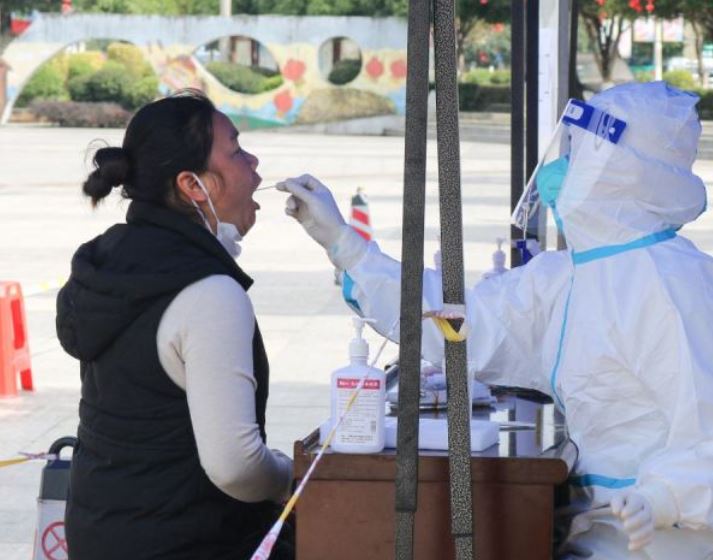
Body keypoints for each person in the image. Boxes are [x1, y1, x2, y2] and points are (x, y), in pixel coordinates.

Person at [278, 81, 713, 559]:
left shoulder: (674, 285)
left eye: (579, 153)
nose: (561, 168)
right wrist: (347, 247)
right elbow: (464, 324)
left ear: (620, 171)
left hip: (668, 541)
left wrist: (664, 498)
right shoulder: (567, 276)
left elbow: (706, 425)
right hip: (597, 526)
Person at [56, 90, 293, 560]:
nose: (253, 163)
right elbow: (235, 467)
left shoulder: (115, 262)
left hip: (100, 533)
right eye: (237, 150)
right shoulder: (208, 292)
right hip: (185, 541)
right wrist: (294, 478)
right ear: (192, 184)